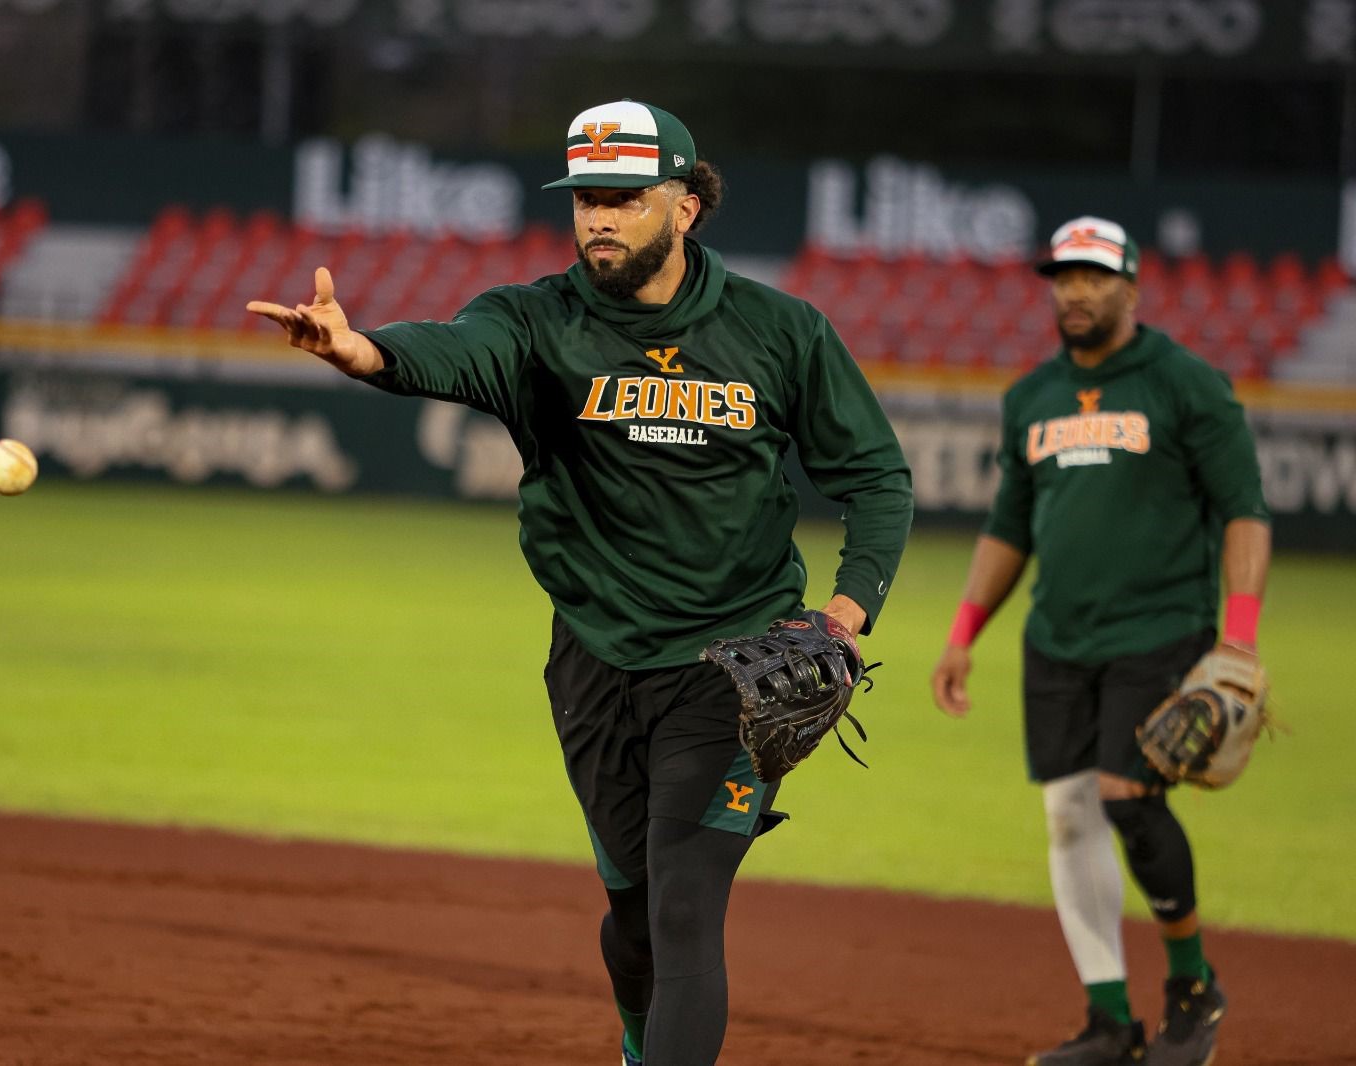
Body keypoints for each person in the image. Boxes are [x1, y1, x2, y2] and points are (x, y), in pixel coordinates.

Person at [249, 100, 913, 1066]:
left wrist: (848, 614)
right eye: (586, 199)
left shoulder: (782, 332)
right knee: (635, 917)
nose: (598, 218)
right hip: (595, 661)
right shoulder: (535, 322)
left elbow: (877, 478)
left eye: (624, 199)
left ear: (684, 206)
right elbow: (455, 350)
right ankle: (640, 1041)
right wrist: (366, 353)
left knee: (687, 906)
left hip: (734, 664)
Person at [930, 217, 1272, 1066]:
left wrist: (1238, 643)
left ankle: (1194, 987)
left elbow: (1245, 512)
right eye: (1063, 276)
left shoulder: (1187, 385)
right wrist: (963, 632)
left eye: (1094, 275)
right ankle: (1109, 1020)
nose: (1076, 291)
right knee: (1068, 818)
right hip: (1058, 637)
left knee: (1127, 795)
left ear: (1131, 284)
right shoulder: (1032, 397)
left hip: (1159, 629)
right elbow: (1010, 526)